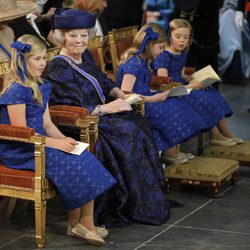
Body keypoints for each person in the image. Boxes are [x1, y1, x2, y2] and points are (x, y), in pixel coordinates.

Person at [46, 9, 171, 228]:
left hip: (104, 112)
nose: (79, 40)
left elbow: (103, 79)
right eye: (73, 35)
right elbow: (73, 105)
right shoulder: (58, 66)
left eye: (84, 35)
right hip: (81, 123)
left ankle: (143, 199)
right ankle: (124, 204)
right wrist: (106, 108)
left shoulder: (85, 56)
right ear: (61, 37)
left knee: (139, 123)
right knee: (128, 130)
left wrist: (118, 93)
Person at [0, 34, 117, 246]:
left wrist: (65, 140)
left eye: (44, 58)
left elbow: (47, 124)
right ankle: (75, 224)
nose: (43, 63)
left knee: (82, 155)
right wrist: (56, 144)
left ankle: (85, 223)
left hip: (41, 141)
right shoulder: (16, 90)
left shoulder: (42, 85)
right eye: (37, 59)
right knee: (70, 163)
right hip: (21, 150)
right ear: (22, 61)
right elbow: (21, 133)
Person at [116, 22, 209, 164]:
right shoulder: (133, 64)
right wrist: (153, 99)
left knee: (177, 103)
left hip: (145, 99)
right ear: (149, 45)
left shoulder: (143, 61)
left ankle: (170, 150)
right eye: (160, 47)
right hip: (135, 106)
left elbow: (142, 86)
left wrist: (159, 93)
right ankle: (169, 151)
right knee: (168, 110)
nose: (162, 51)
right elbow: (125, 95)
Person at [152, 18, 243, 146]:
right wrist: (190, 86)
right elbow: (163, 85)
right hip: (171, 90)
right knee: (201, 100)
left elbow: (181, 73)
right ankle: (215, 135)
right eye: (178, 36)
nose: (182, 40)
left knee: (211, 93)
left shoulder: (183, 52)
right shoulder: (163, 57)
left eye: (186, 37)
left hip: (183, 86)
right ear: (169, 36)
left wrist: (194, 79)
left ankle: (225, 131)